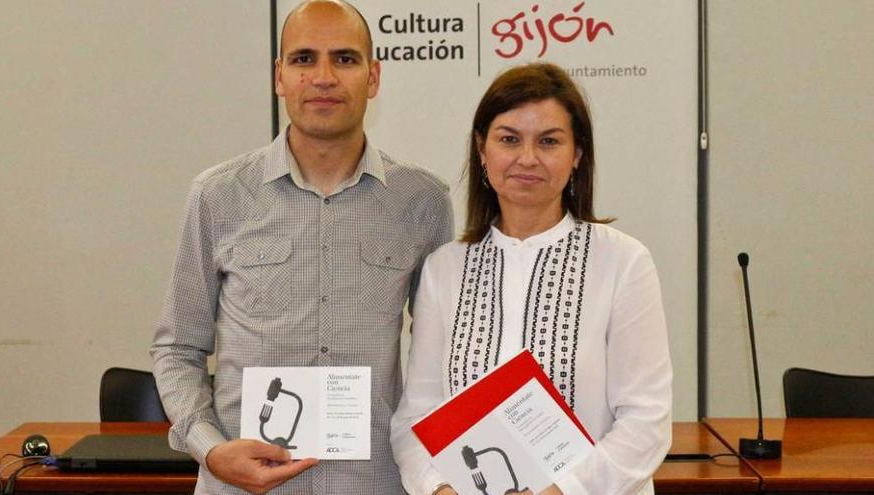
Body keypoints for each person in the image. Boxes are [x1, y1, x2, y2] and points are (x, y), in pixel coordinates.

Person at [150, 1, 454, 493]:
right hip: (243, 486)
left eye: (346, 59)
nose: (324, 77)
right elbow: (176, 347)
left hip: (373, 482)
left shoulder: (423, 202)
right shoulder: (218, 194)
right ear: (280, 76)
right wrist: (210, 448)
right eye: (304, 59)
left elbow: (444, 357)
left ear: (373, 77)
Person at [390, 62, 672, 495]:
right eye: (508, 139)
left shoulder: (623, 262)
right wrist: (439, 488)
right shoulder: (444, 269)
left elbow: (646, 421)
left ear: (576, 155)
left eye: (549, 141)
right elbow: (417, 416)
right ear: (482, 152)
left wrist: (564, 490)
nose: (527, 158)